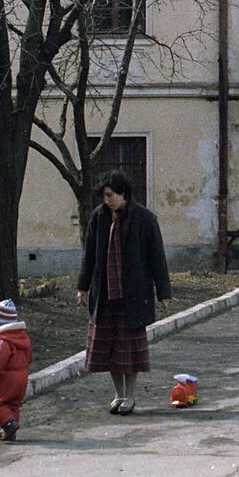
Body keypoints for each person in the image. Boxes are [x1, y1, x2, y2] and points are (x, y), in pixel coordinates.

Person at [76, 170, 172, 415]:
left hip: (132, 296)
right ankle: (118, 394)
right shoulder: (99, 218)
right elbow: (89, 255)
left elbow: (157, 258)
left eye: (110, 195)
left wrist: (163, 292)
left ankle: (130, 396)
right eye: (104, 196)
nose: (107, 201)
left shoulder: (145, 219)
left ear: (124, 193)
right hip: (105, 296)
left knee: (129, 351)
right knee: (109, 350)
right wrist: (83, 286)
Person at [0, 298, 32, 442]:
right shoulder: (23, 339)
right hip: (22, 376)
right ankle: (10, 431)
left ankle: (9, 425)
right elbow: (29, 357)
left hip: (6, 379)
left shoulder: (1, 343)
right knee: (12, 404)